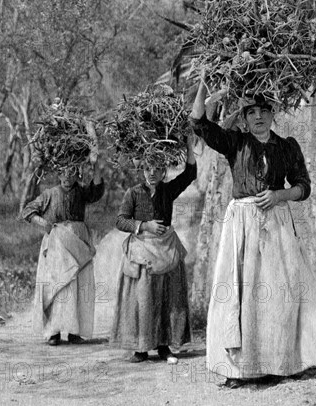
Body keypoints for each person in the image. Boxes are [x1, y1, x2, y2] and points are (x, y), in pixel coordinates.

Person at [190, 74, 316, 388]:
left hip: (276, 222)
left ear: (274, 112)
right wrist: (205, 81)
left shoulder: (287, 147)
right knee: (240, 292)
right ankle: (239, 369)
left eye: (264, 110)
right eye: (251, 111)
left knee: (281, 291)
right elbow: (198, 121)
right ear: (245, 118)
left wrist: (280, 195)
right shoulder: (234, 143)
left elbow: (303, 187)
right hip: (241, 224)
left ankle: (284, 362)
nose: (259, 116)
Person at [111, 137, 197, 364]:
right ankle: (140, 347)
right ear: (142, 169)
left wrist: (188, 144)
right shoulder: (133, 193)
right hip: (141, 251)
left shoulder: (168, 191)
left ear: (164, 172)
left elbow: (190, 175)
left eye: (158, 169)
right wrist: (143, 225)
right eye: (148, 168)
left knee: (167, 297)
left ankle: (164, 345)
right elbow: (120, 221)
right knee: (143, 298)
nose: (151, 173)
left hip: (166, 249)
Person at [21, 157, 104, 346]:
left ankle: (75, 332)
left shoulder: (82, 192)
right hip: (57, 244)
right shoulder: (49, 194)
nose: (67, 177)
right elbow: (27, 211)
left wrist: (96, 164)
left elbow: (97, 191)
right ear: (58, 173)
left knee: (78, 284)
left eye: (72, 172)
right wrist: (44, 224)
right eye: (63, 172)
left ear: (77, 174)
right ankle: (53, 331)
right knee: (57, 285)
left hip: (79, 243)